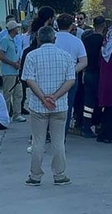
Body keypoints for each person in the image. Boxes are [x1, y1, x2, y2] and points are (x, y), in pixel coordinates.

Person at [21, 26, 75, 186]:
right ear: (54, 39)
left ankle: (35, 176)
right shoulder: (65, 56)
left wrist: (43, 98)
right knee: (58, 142)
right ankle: (59, 175)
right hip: (60, 107)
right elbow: (71, 80)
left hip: (38, 106)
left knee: (38, 142)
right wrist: (55, 97)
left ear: (38, 39)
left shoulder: (32, 56)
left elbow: (29, 80)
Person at [54, 13, 87, 135]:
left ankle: (50, 131)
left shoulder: (52, 38)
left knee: (50, 104)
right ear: (71, 25)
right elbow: (84, 62)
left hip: (53, 76)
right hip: (71, 78)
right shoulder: (77, 41)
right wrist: (72, 70)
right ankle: (63, 134)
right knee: (67, 107)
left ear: (57, 24)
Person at [79, 15, 106, 138]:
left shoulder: (86, 39)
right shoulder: (104, 41)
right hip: (100, 74)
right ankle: (98, 124)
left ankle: (86, 126)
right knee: (99, 101)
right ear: (103, 25)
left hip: (87, 72)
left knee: (88, 102)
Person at [0, 20, 25, 122]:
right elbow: (0, 55)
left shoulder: (14, 40)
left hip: (15, 71)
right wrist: (13, 64)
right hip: (8, 72)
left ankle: (17, 114)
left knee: (18, 94)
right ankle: (5, 115)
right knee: (8, 95)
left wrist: (17, 62)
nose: (18, 29)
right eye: (17, 28)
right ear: (13, 29)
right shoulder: (5, 40)